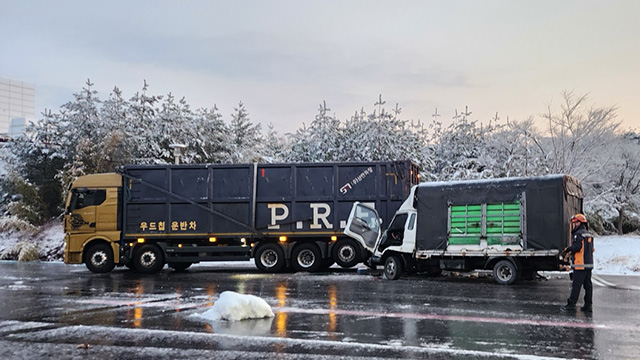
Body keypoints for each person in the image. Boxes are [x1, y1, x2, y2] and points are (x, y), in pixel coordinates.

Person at [561, 213, 595, 312]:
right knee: (588, 285)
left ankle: (571, 304)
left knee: (576, 285)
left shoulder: (578, 234)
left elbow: (577, 247)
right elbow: (591, 249)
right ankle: (588, 305)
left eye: (575, 223)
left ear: (579, 222)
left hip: (580, 265)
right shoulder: (589, 234)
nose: (574, 225)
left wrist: (568, 249)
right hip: (589, 264)